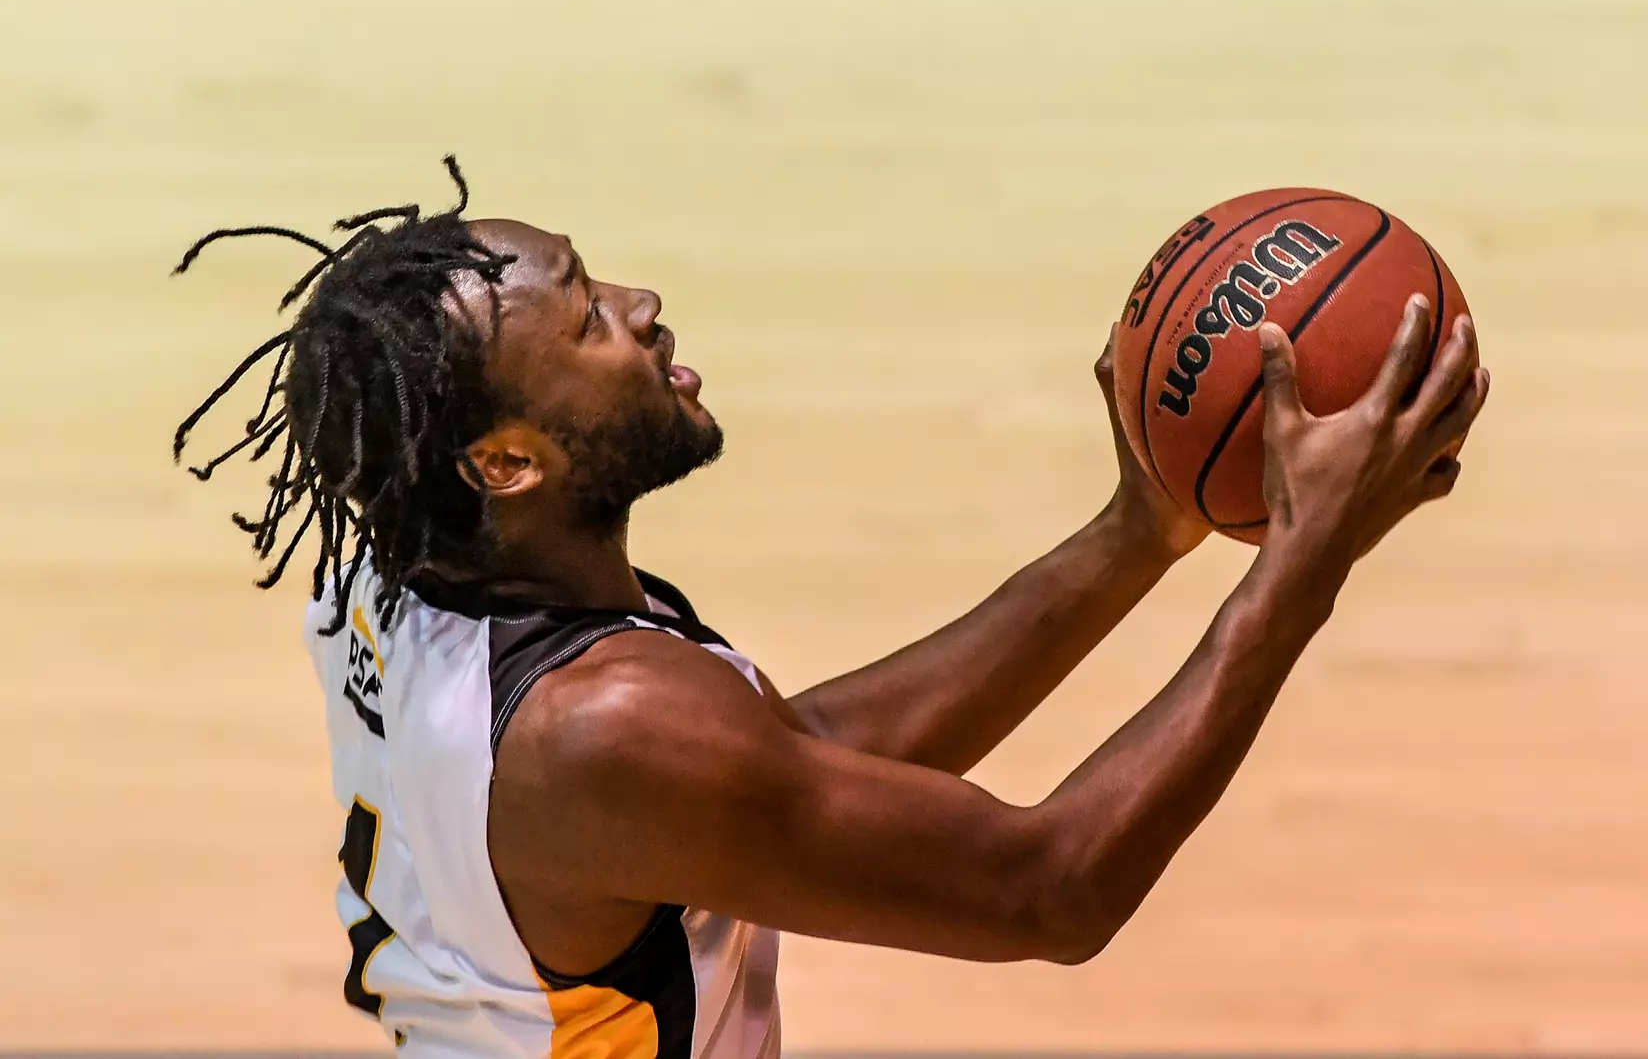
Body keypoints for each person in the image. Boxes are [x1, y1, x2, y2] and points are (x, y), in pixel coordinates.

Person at [172, 159, 1489, 1059]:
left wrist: (1142, 532)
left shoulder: (409, 582)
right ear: (508, 461)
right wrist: (1298, 567)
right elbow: (1050, 892)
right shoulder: (602, 731)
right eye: (583, 326)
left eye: (598, 280)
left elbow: (775, 765)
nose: (638, 307)